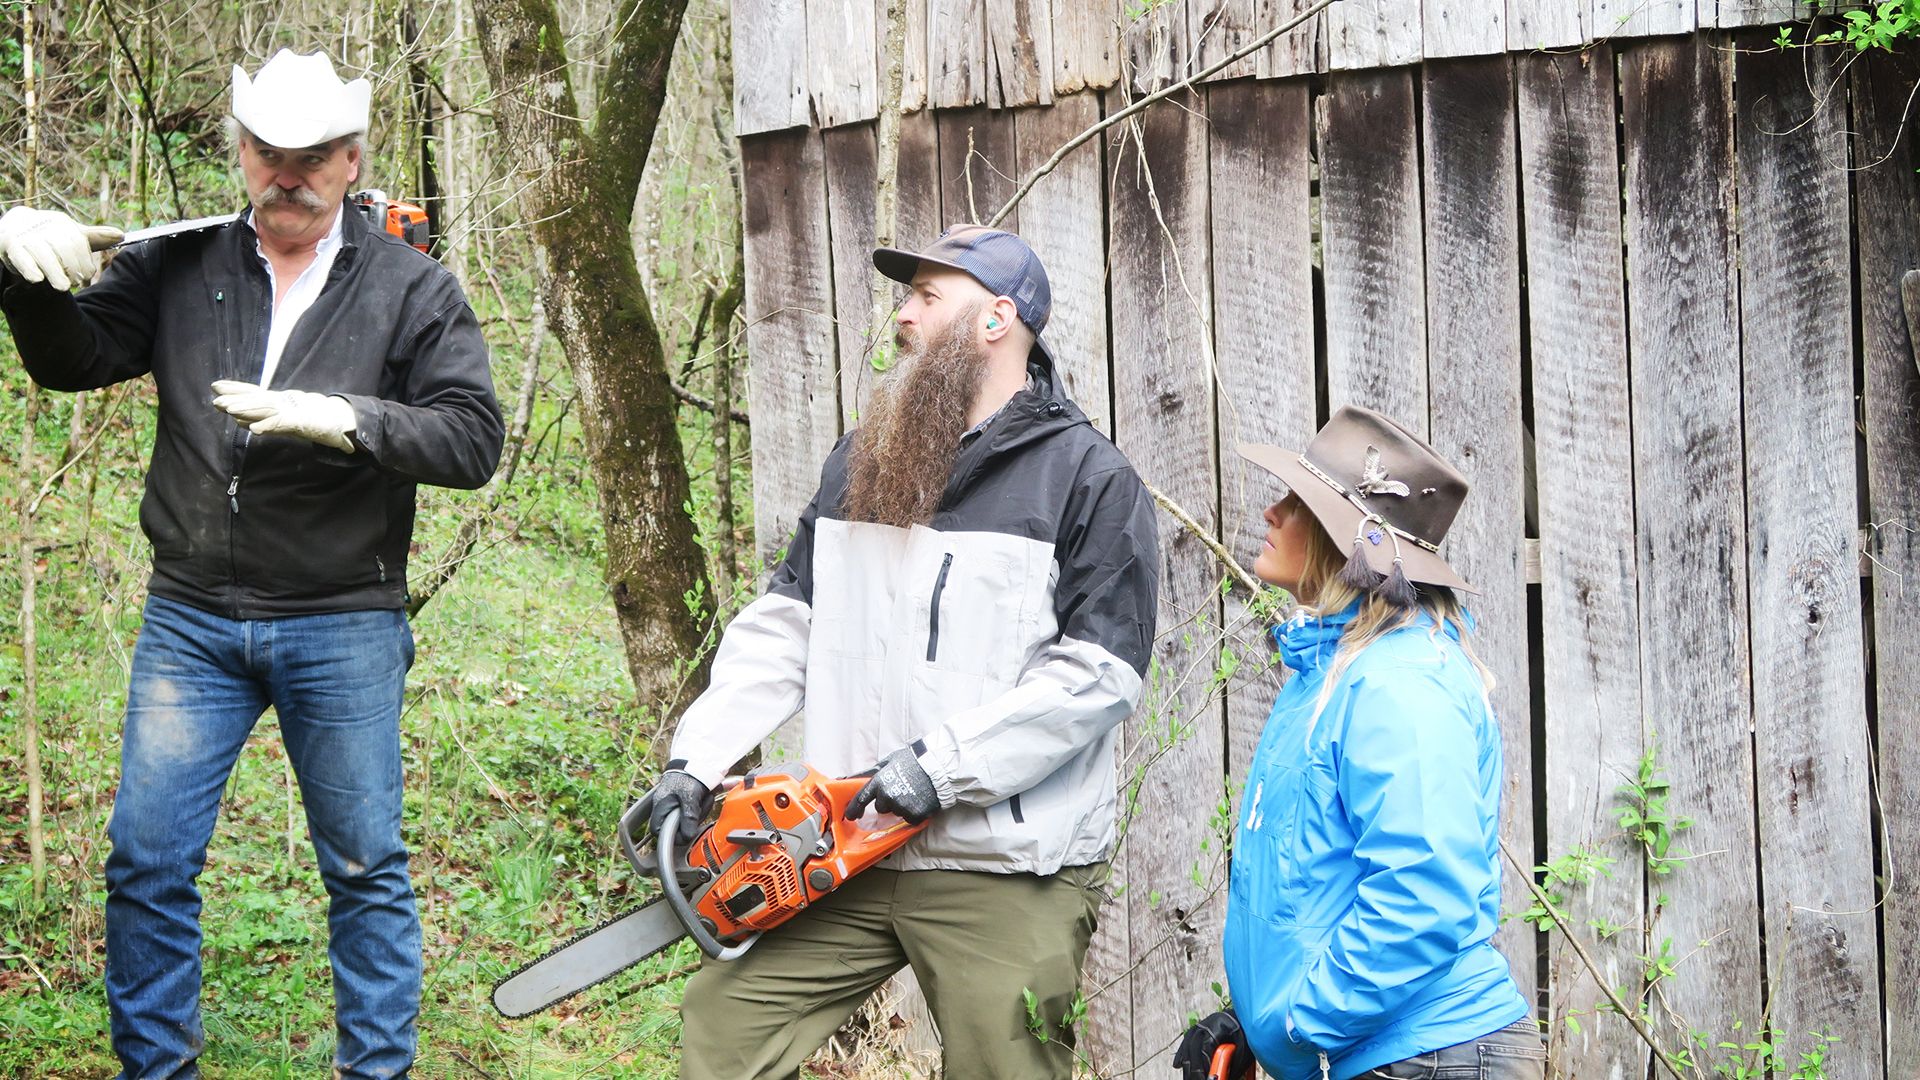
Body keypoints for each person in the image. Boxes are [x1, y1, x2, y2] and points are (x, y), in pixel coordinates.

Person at [0, 49, 503, 1078]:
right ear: (240, 152)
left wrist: (352, 421)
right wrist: (25, 274)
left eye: (313, 156)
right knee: (146, 861)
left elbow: (472, 438)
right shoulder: (180, 262)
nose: (289, 175)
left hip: (342, 616)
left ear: (352, 161)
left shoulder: (413, 288)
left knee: (364, 867)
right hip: (192, 615)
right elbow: (73, 360)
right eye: (270, 152)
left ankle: (375, 1071)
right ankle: (157, 1068)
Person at [650, 225, 1160, 1079]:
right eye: (906, 297)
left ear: (997, 319)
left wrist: (940, 768)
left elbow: (1097, 676)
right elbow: (786, 623)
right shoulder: (866, 457)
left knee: (1007, 1068)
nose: (903, 316)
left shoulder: (1087, 478)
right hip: (841, 848)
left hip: (999, 865)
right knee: (726, 1025)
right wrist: (694, 762)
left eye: (928, 298)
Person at [1173, 406, 1542, 1080]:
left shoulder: (1400, 683)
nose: (1271, 514)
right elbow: (1318, 879)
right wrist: (1255, 1021)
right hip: (1377, 1049)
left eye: (1299, 502)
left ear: (1353, 544)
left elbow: (1422, 896)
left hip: (1426, 1058)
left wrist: (1297, 1023)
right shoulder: (1332, 672)